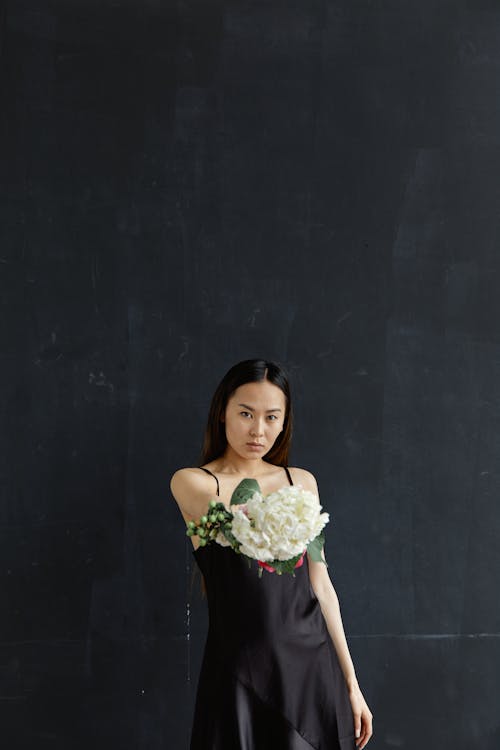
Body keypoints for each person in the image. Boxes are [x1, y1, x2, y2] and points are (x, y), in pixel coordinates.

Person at [170, 358, 373, 750]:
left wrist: (352, 684)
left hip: (313, 671)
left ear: (284, 422)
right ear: (222, 415)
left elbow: (321, 586)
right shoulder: (194, 482)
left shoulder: (301, 481)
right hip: (241, 673)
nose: (258, 430)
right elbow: (235, 526)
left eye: (271, 417)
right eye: (245, 413)